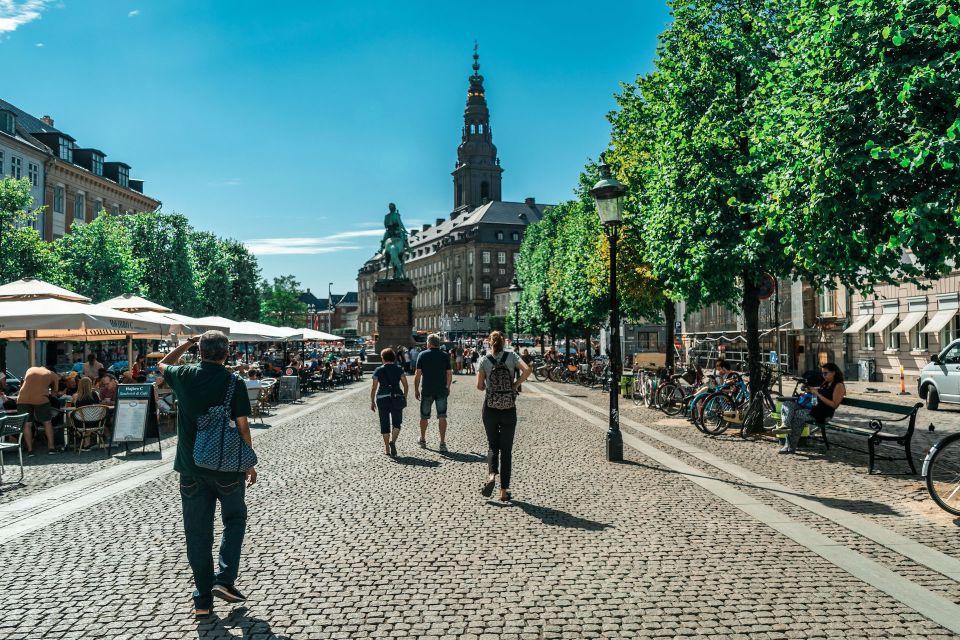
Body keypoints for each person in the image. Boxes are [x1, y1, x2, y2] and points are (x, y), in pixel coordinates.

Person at [159, 331, 255, 619]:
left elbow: (162, 363)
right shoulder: (233, 381)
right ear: (227, 353)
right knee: (235, 519)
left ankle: (202, 599)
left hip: (190, 467)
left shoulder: (184, 374)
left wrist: (187, 342)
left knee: (197, 533)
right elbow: (242, 426)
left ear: (200, 352)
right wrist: (248, 462)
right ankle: (224, 580)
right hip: (227, 467)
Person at [476, 330, 532, 502]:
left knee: (493, 445)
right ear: (503, 342)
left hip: (490, 407)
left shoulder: (485, 360)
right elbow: (528, 370)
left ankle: (492, 475)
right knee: (506, 450)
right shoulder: (512, 356)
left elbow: (479, 386)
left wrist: (490, 387)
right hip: (509, 406)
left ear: (489, 343)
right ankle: (504, 490)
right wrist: (515, 384)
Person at [777, 362, 846, 454]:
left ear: (833, 373)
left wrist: (818, 394)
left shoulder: (839, 386)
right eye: (822, 373)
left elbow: (834, 405)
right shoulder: (826, 383)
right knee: (787, 404)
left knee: (797, 415)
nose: (823, 375)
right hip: (814, 408)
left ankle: (789, 446)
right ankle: (786, 425)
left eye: (825, 373)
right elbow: (820, 393)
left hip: (823, 413)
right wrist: (811, 391)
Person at [414, 334, 453, 451]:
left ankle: (423, 439)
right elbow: (449, 373)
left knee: (424, 416)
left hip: (427, 390)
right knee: (442, 416)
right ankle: (442, 443)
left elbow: (418, 374)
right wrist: (448, 386)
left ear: (429, 343)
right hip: (441, 390)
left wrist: (416, 389)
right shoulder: (445, 355)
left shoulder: (422, 355)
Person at [370, 348, 408, 457]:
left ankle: (387, 448)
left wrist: (372, 401)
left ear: (383, 358)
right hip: (396, 398)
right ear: (393, 358)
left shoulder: (378, 370)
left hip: (382, 399)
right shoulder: (399, 369)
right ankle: (393, 442)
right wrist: (404, 397)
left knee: (384, 423)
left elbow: (374, 387)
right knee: (397, 423)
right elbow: (405, 385)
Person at [16, 365, 61, 456]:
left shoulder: (30, 369)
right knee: (47, 422)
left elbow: (25, 383)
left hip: (22, 398)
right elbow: (54, 392)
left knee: (27, 424)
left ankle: (30, 450)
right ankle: (51, 448)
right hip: (40, 399)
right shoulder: (53, 375)